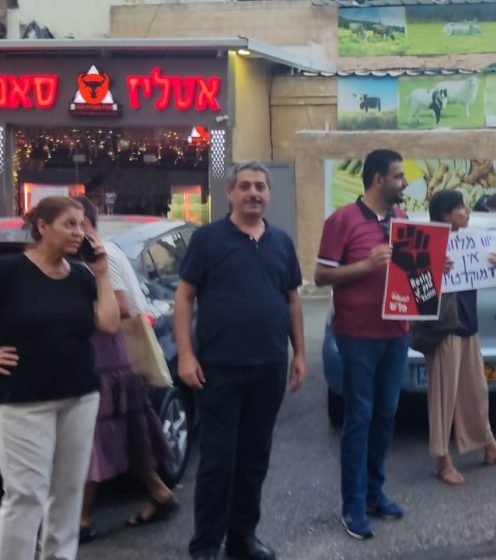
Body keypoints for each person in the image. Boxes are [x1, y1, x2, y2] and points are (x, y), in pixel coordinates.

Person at [174, 161, 307, 560]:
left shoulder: (281, 242)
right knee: (218, 461)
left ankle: (242, 539)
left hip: (268, 366)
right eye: (245, 186)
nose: (253, 193)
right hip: (219, 367)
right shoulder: (208, 239)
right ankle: (206, 545)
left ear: (269, 195)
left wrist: (299, 353)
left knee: (254, 459)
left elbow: (293, 300)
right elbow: (184, 297)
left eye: (260, 187)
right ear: (230, 193)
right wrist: (185, 355)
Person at [0, 196, 119, 560]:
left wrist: (102, 273)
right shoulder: (9, 271)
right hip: (24, 400)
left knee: (67, 491)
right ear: (42, 227)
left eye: (82, 225)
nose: (78, 232)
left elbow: (110, 323)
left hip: (79, 395)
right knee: (25, 494)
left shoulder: (82, 276)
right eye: (69, 224)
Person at [314, 149, 409, 540]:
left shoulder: (402, 220)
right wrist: (366, 266)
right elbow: (321, 276)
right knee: (360, 417)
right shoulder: (342, 220)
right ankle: (352, 505)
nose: (405, 183)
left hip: (397, 334)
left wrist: (437, 266)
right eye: (399, 176)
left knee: (386, 415)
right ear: (377, 179)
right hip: (357, 336)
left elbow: (410, 271)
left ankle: (374, 494)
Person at [74, 196, 178, 542]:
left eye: (75, 223)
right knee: (128, 432)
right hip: (110, 358)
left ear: (86, 224)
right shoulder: (98, 254)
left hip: (108, 358)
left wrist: (69, 314)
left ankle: (81, 520)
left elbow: (119, 305)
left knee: (97, 435)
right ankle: (160, 493)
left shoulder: (102, 256)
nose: (71, 231)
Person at [418, 190, 496, 486]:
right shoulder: (424, 243)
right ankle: (442, 460)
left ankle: (489, 446)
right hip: (444, 329)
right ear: (445, 214)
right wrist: (431, 268)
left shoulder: (470, 241)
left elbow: (480, 272)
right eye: (460, 207)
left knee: (476, 391)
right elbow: (409, 284)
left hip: (468, 325)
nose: (467, 211)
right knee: (443, 397)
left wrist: (495, 263)